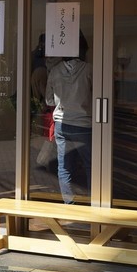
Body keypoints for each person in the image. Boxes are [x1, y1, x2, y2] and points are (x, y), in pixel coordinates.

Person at [45, 32, 92, 204]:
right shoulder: (90, 69)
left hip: (62, 124)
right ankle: (94, 203)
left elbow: (49, 100)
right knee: (91, 166)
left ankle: (69, 204)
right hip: (84, 124)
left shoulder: (55, 71)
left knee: (64, 167)